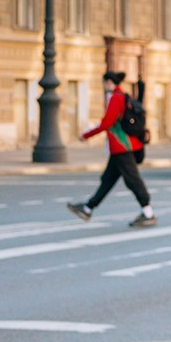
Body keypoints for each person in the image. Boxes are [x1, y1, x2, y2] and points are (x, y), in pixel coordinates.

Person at [67, 71, 155, 228]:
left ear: (108, 82)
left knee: (133, 180)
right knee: (107, 180)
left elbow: (107, 123)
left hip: (122, 146)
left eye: (103, 83)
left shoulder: (116, 97)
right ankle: (88, 208)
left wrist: (86, 135)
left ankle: (148, 212)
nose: (103, 86)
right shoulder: (123, 95)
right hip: (121, 147)